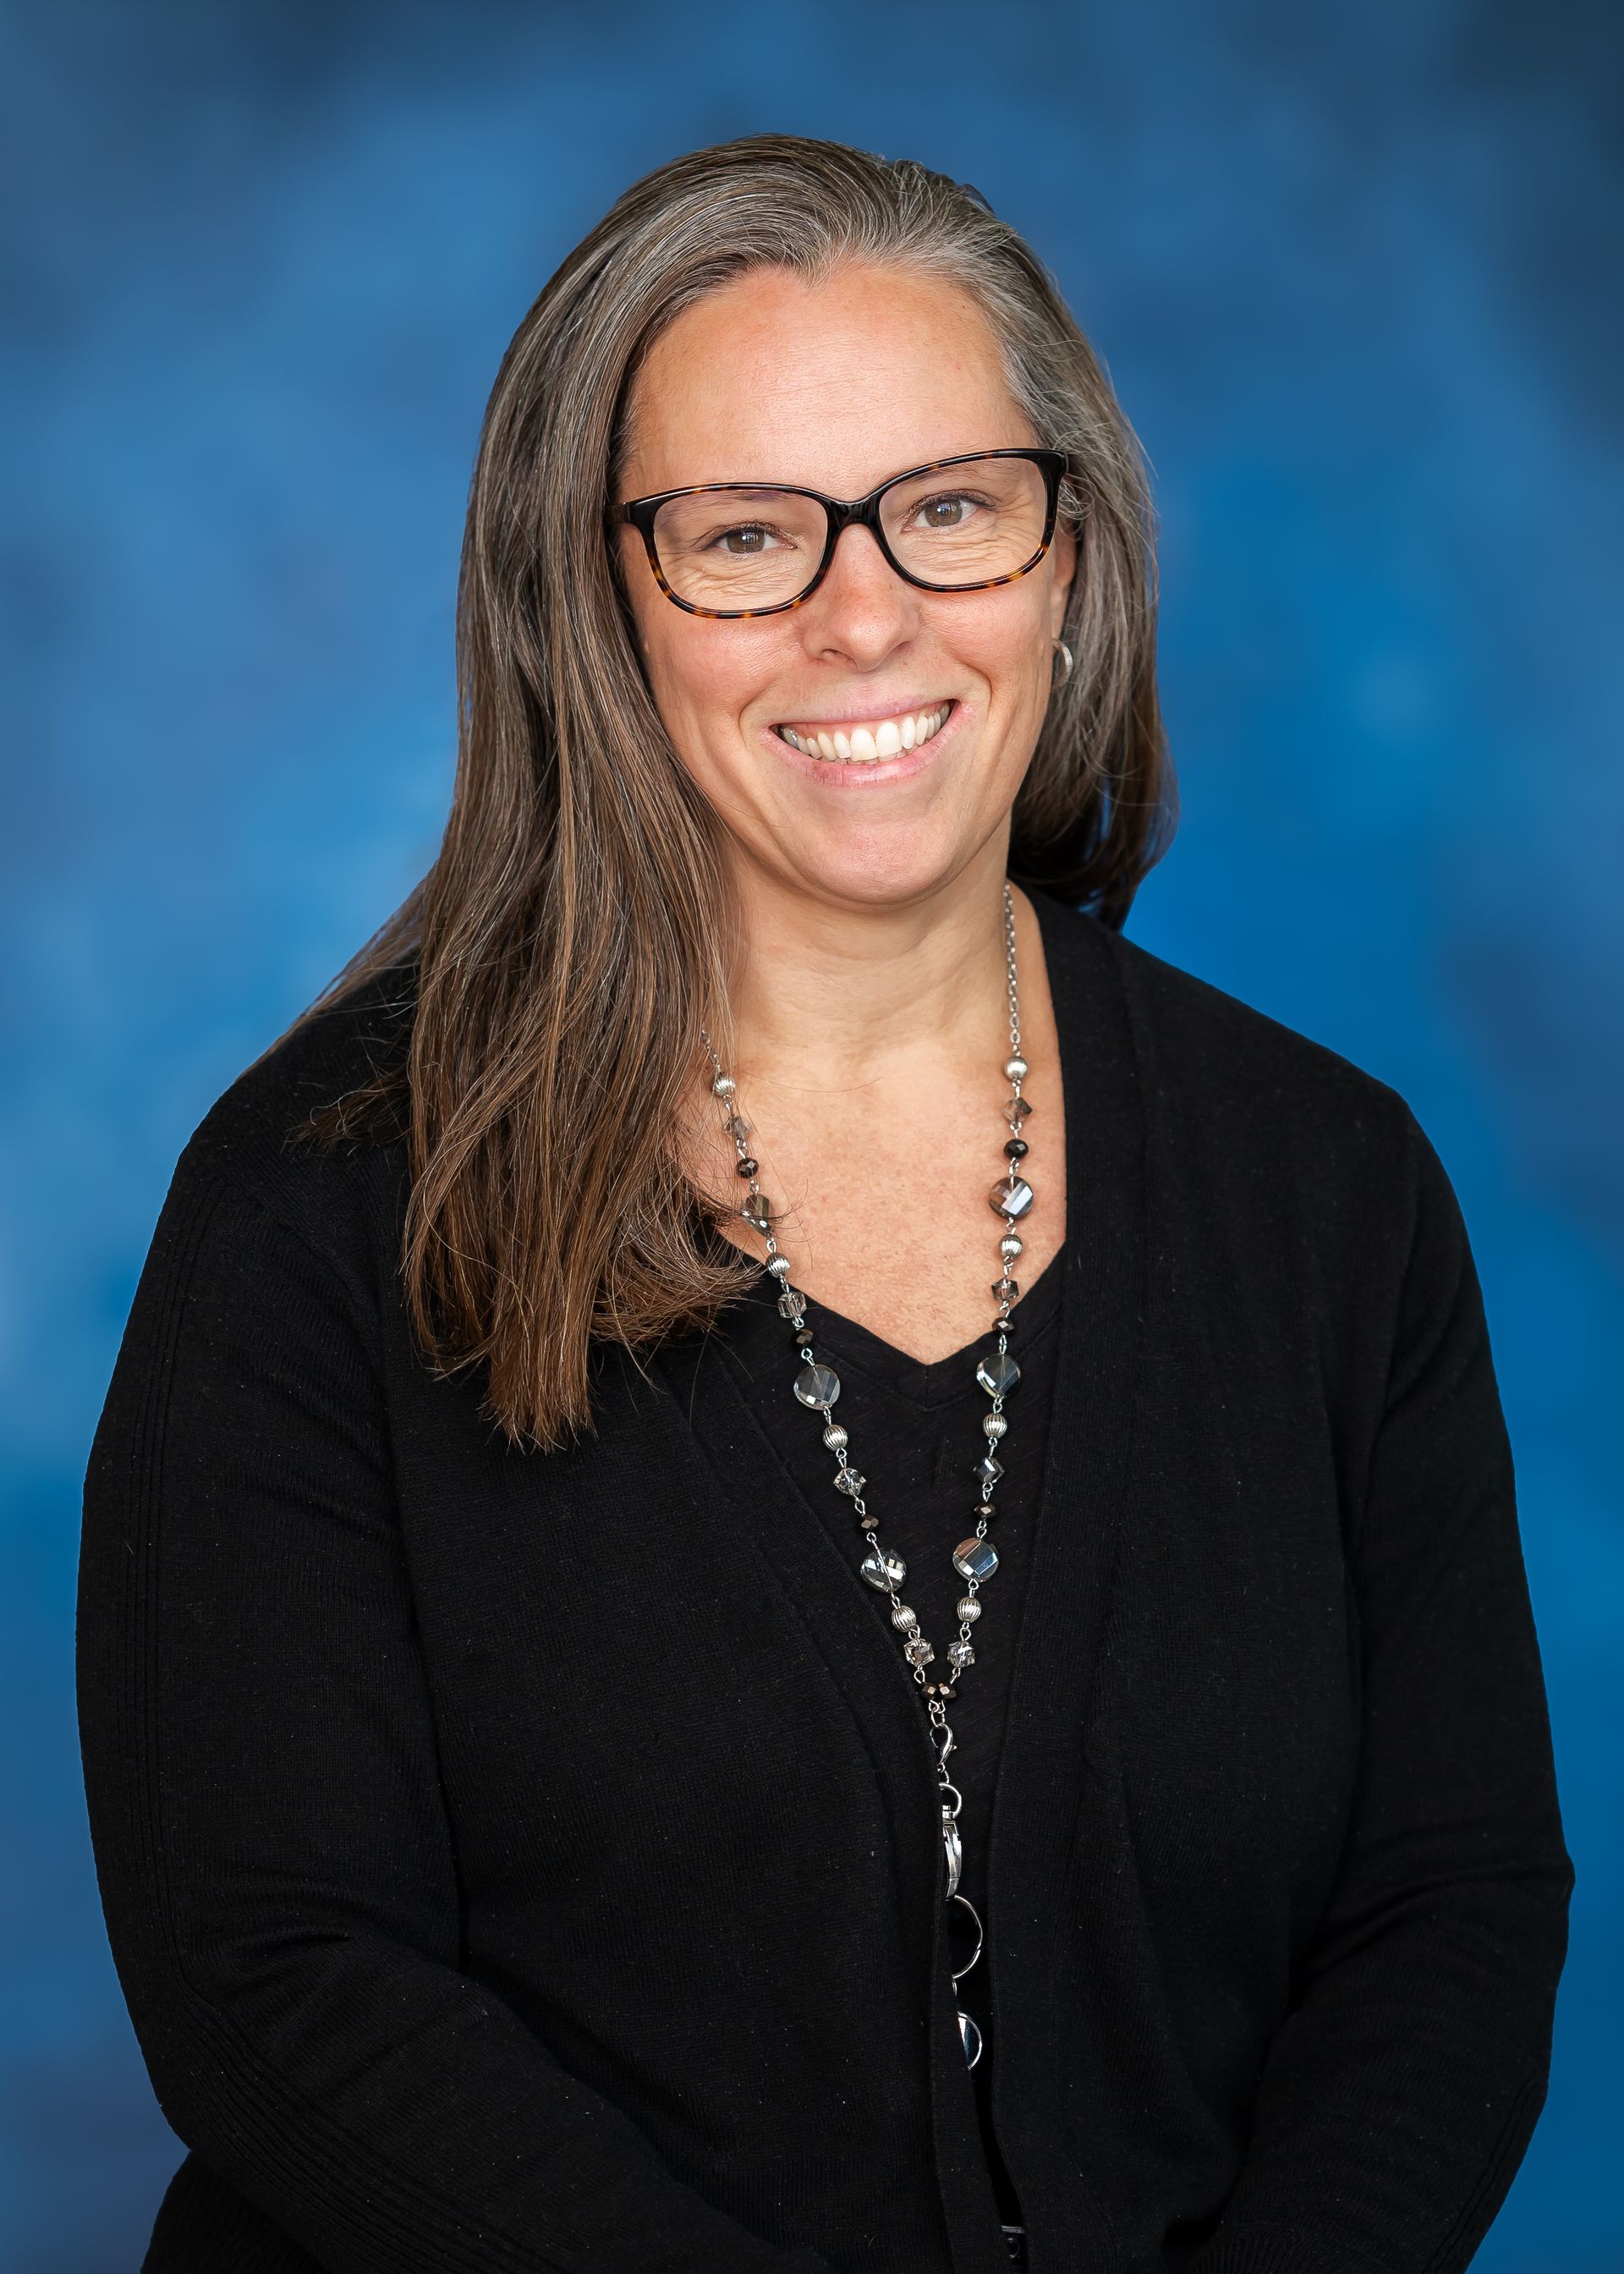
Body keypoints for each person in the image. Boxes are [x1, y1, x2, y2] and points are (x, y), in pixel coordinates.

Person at [77, 133, 1573, 2274]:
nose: (865, 612)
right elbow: (276, 1980)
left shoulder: (1330, 1194)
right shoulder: (323, 1205)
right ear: (590, 597)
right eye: (747, 537)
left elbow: (1450, 1906)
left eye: (949, 508)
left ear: (1072, 556)